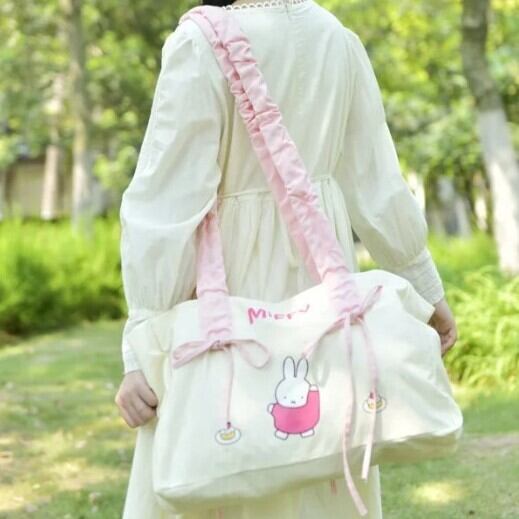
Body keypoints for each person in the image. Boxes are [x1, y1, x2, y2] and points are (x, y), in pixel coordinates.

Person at [114, 0, 458, 517]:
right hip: (323, 275)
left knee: (221, 436)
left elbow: (169, 201)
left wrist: (143, 335)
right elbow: (376, 181)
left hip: (228, 281)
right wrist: (423, 284)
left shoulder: (200, 43)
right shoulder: (334, 37)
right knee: (323, 432)